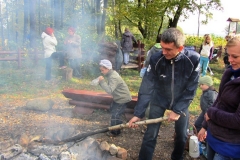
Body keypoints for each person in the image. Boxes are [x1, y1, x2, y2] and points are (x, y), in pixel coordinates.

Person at [128, 28, 200, 160]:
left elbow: (191, 88)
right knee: (151, 134)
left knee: (182, 135)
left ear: (180, 48)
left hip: (181, 100)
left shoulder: (193, 59)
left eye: (168, 49)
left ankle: (177, 158)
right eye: (162, 48)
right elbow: (146, 87)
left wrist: (177, 110)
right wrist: (138, 113)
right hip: (159, 99)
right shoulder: (156, 58)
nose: (164, 52)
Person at [198, 36, 240, 160]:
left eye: (235, 56)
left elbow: (238, 120)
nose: (230, 60)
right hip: (214, 136)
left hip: (230, 145)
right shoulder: (230, 73)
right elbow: (219, 100)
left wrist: (211, 112)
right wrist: (205, 126)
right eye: (229, 55)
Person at [97, 59, 132, 136]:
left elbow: (109, 90)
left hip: (122, 98)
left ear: (107, 68)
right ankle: (118, 125)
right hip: (119, 97)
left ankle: (115, 132)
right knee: (113, 110)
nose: (101, 72)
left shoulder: (113, 77)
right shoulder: (111, 74)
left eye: (102, 70)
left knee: (115, 114)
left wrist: (102, 82)